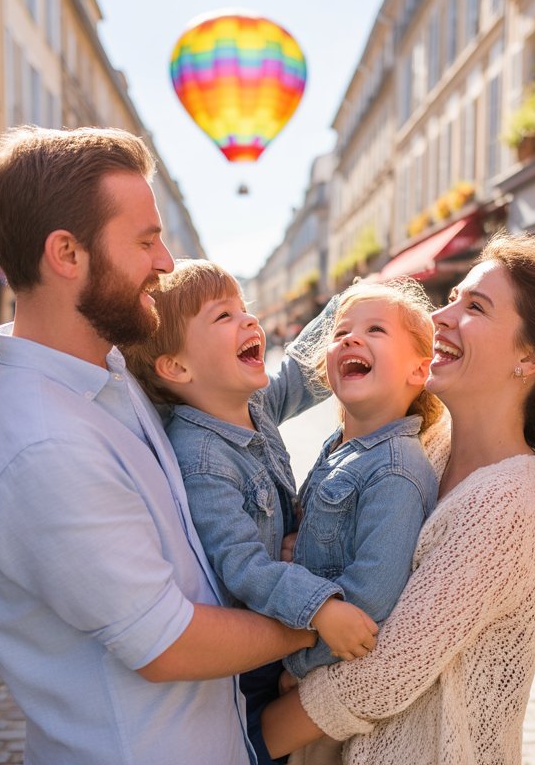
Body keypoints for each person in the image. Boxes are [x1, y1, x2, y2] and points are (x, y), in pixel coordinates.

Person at [0, 126, 315, 764]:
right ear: (67, 253)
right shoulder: (42, 442)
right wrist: (318, 615)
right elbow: (167, 644)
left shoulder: (109, 370)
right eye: (145, 241)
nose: (166, 262)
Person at [262, 233, 535, 763]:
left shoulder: (511, 501)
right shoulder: (429, 447)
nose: (441, 316)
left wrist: (252, 740)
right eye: (453, 297)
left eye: (475, 306)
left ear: (529, 356)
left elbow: (382, 677)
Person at [120, 260, 378, 765]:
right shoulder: (201, 459)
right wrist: (320, 610)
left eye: (244, 309)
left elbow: (302, 372)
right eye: (224, 316)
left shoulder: (251, 404)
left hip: (282, 639)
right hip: (250, 667)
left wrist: (359, 302)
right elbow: (243, 568)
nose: (249, 320)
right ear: (177, 368)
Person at [281, 278, 443, 765]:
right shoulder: (340, 445)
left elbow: (369, 599)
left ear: (420, 369)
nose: (351, 338)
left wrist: (296, 664)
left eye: (376, 330)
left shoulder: (395, 470)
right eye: (340, 332)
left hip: (320, 688)